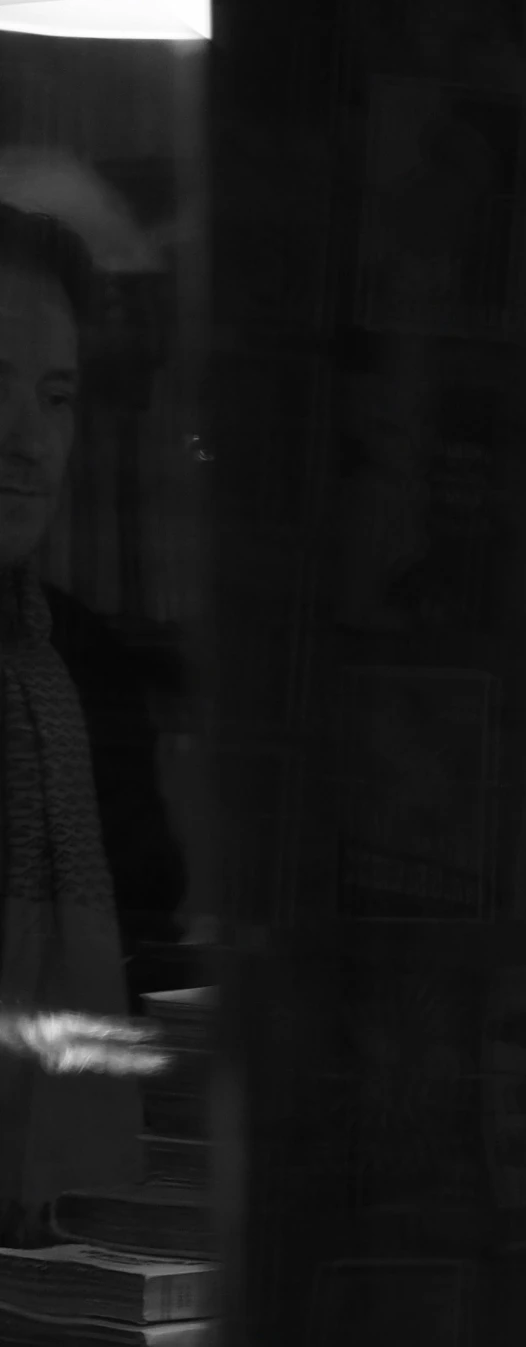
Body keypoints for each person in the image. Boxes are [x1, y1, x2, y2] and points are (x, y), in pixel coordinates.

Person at [0, 204, 184, 1243]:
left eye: (56, 396)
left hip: (69, 1234)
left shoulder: (83, 662)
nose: (26, 440)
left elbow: (150, 942)